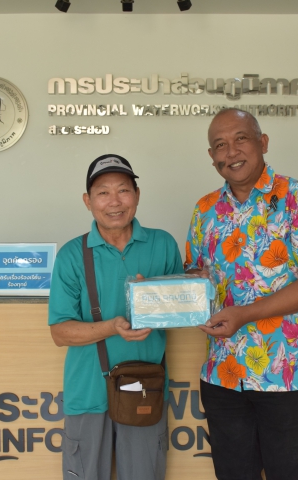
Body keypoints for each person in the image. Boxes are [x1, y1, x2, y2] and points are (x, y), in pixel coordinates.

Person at [184, 108, 298, 480]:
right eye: (220, 145)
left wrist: (245, 313)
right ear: (211, 156)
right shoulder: (205, 210)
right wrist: (183, 287)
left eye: (241, 139)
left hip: (287, 375)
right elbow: (195, 275)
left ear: (263, 143)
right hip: (223, 375)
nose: (231, 152)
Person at [48, 154, 183, 480]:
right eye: (103, 193)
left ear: (137, 195)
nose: (114, 201)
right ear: (88, 201)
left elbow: (182, 311)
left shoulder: (163, 244)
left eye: (123, 190)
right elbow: (60, 333)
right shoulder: (71, 255)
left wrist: (158, 300)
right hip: (87, 392)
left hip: (145, 389)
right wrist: (112, 327)